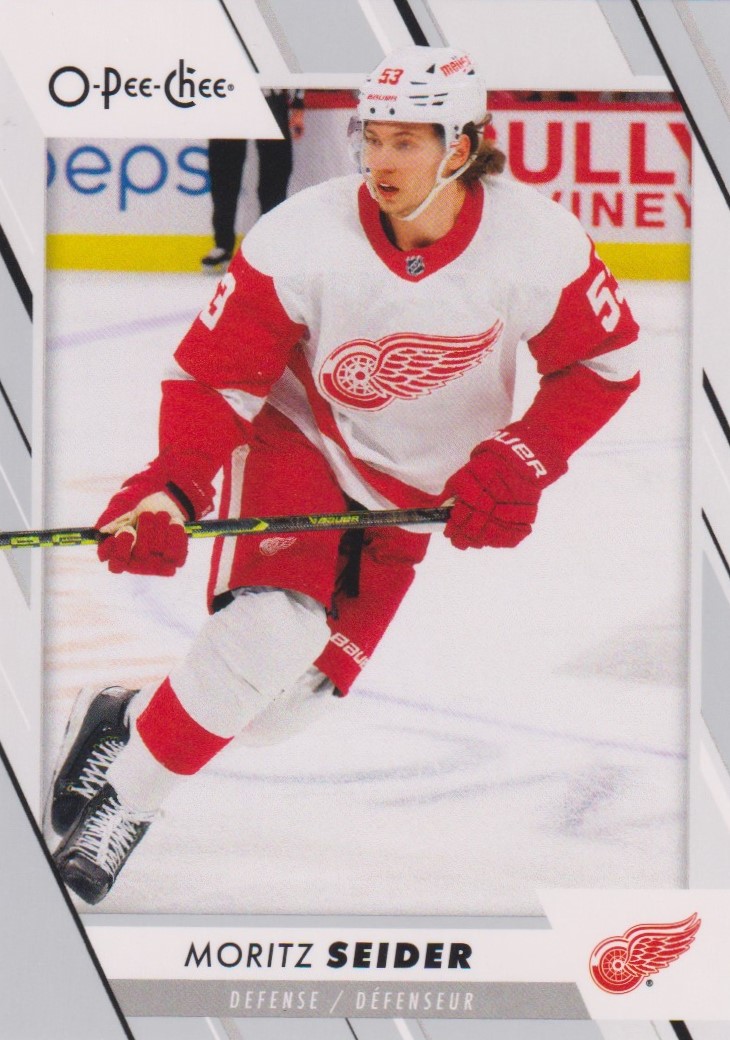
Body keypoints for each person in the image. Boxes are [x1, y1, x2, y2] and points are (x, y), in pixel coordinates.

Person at [48, 46, 640, 905]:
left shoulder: (537, 242)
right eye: (372, 137)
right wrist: (171, 486)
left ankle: (125, 719)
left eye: (406, 142)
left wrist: (522, 458)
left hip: (412, 494)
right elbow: (216, 377)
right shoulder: (302, 236)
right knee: (271, 632)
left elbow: (604, 365)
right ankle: (126, 807)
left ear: (463, 145)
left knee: (281, 710)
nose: (379, 161)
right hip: (304, 439)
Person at [201, 89, 305, 271]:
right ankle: (222, 244)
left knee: (275, 172)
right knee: (223, 171)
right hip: (228, 95)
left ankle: (268, 244)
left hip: (271, 93)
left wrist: (298, 102)